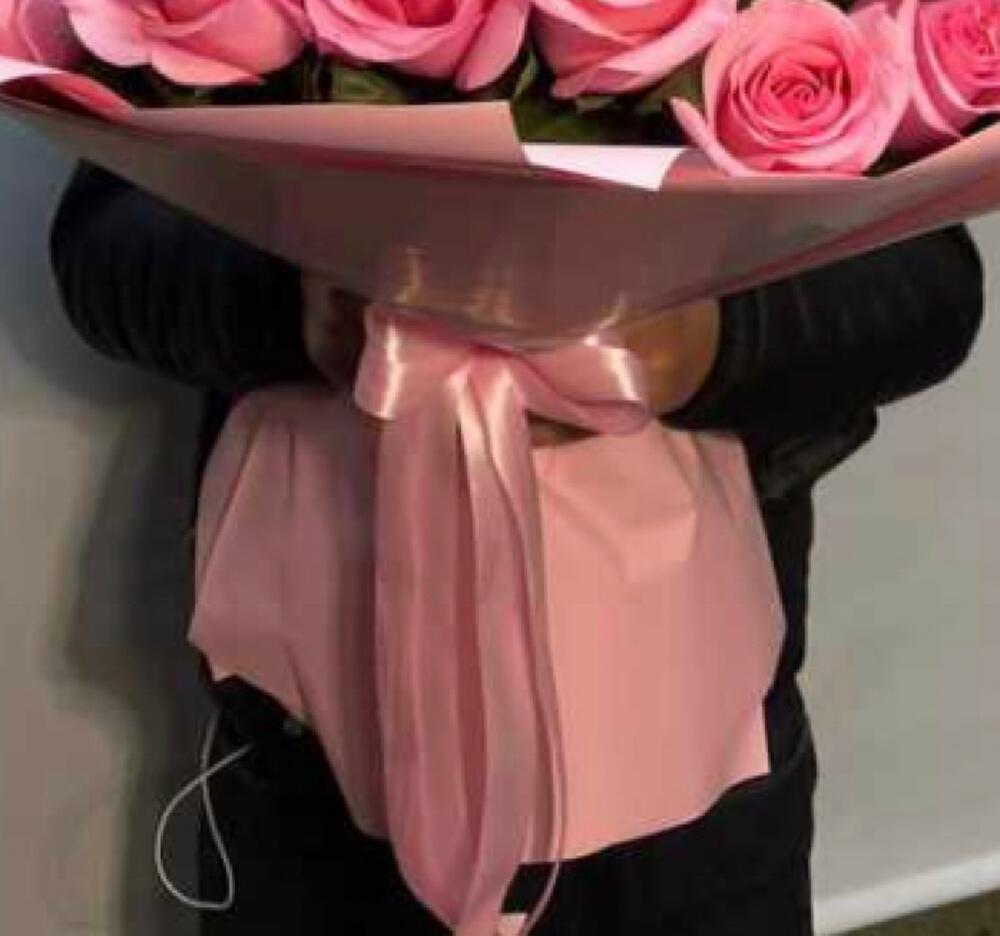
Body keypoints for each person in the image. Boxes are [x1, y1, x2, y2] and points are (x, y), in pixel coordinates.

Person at [49, 161, 985, 936]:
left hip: (696, 758)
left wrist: (708, 340)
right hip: (312, 754)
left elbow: (930, 288)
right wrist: (292, 304)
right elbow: (103, 254)